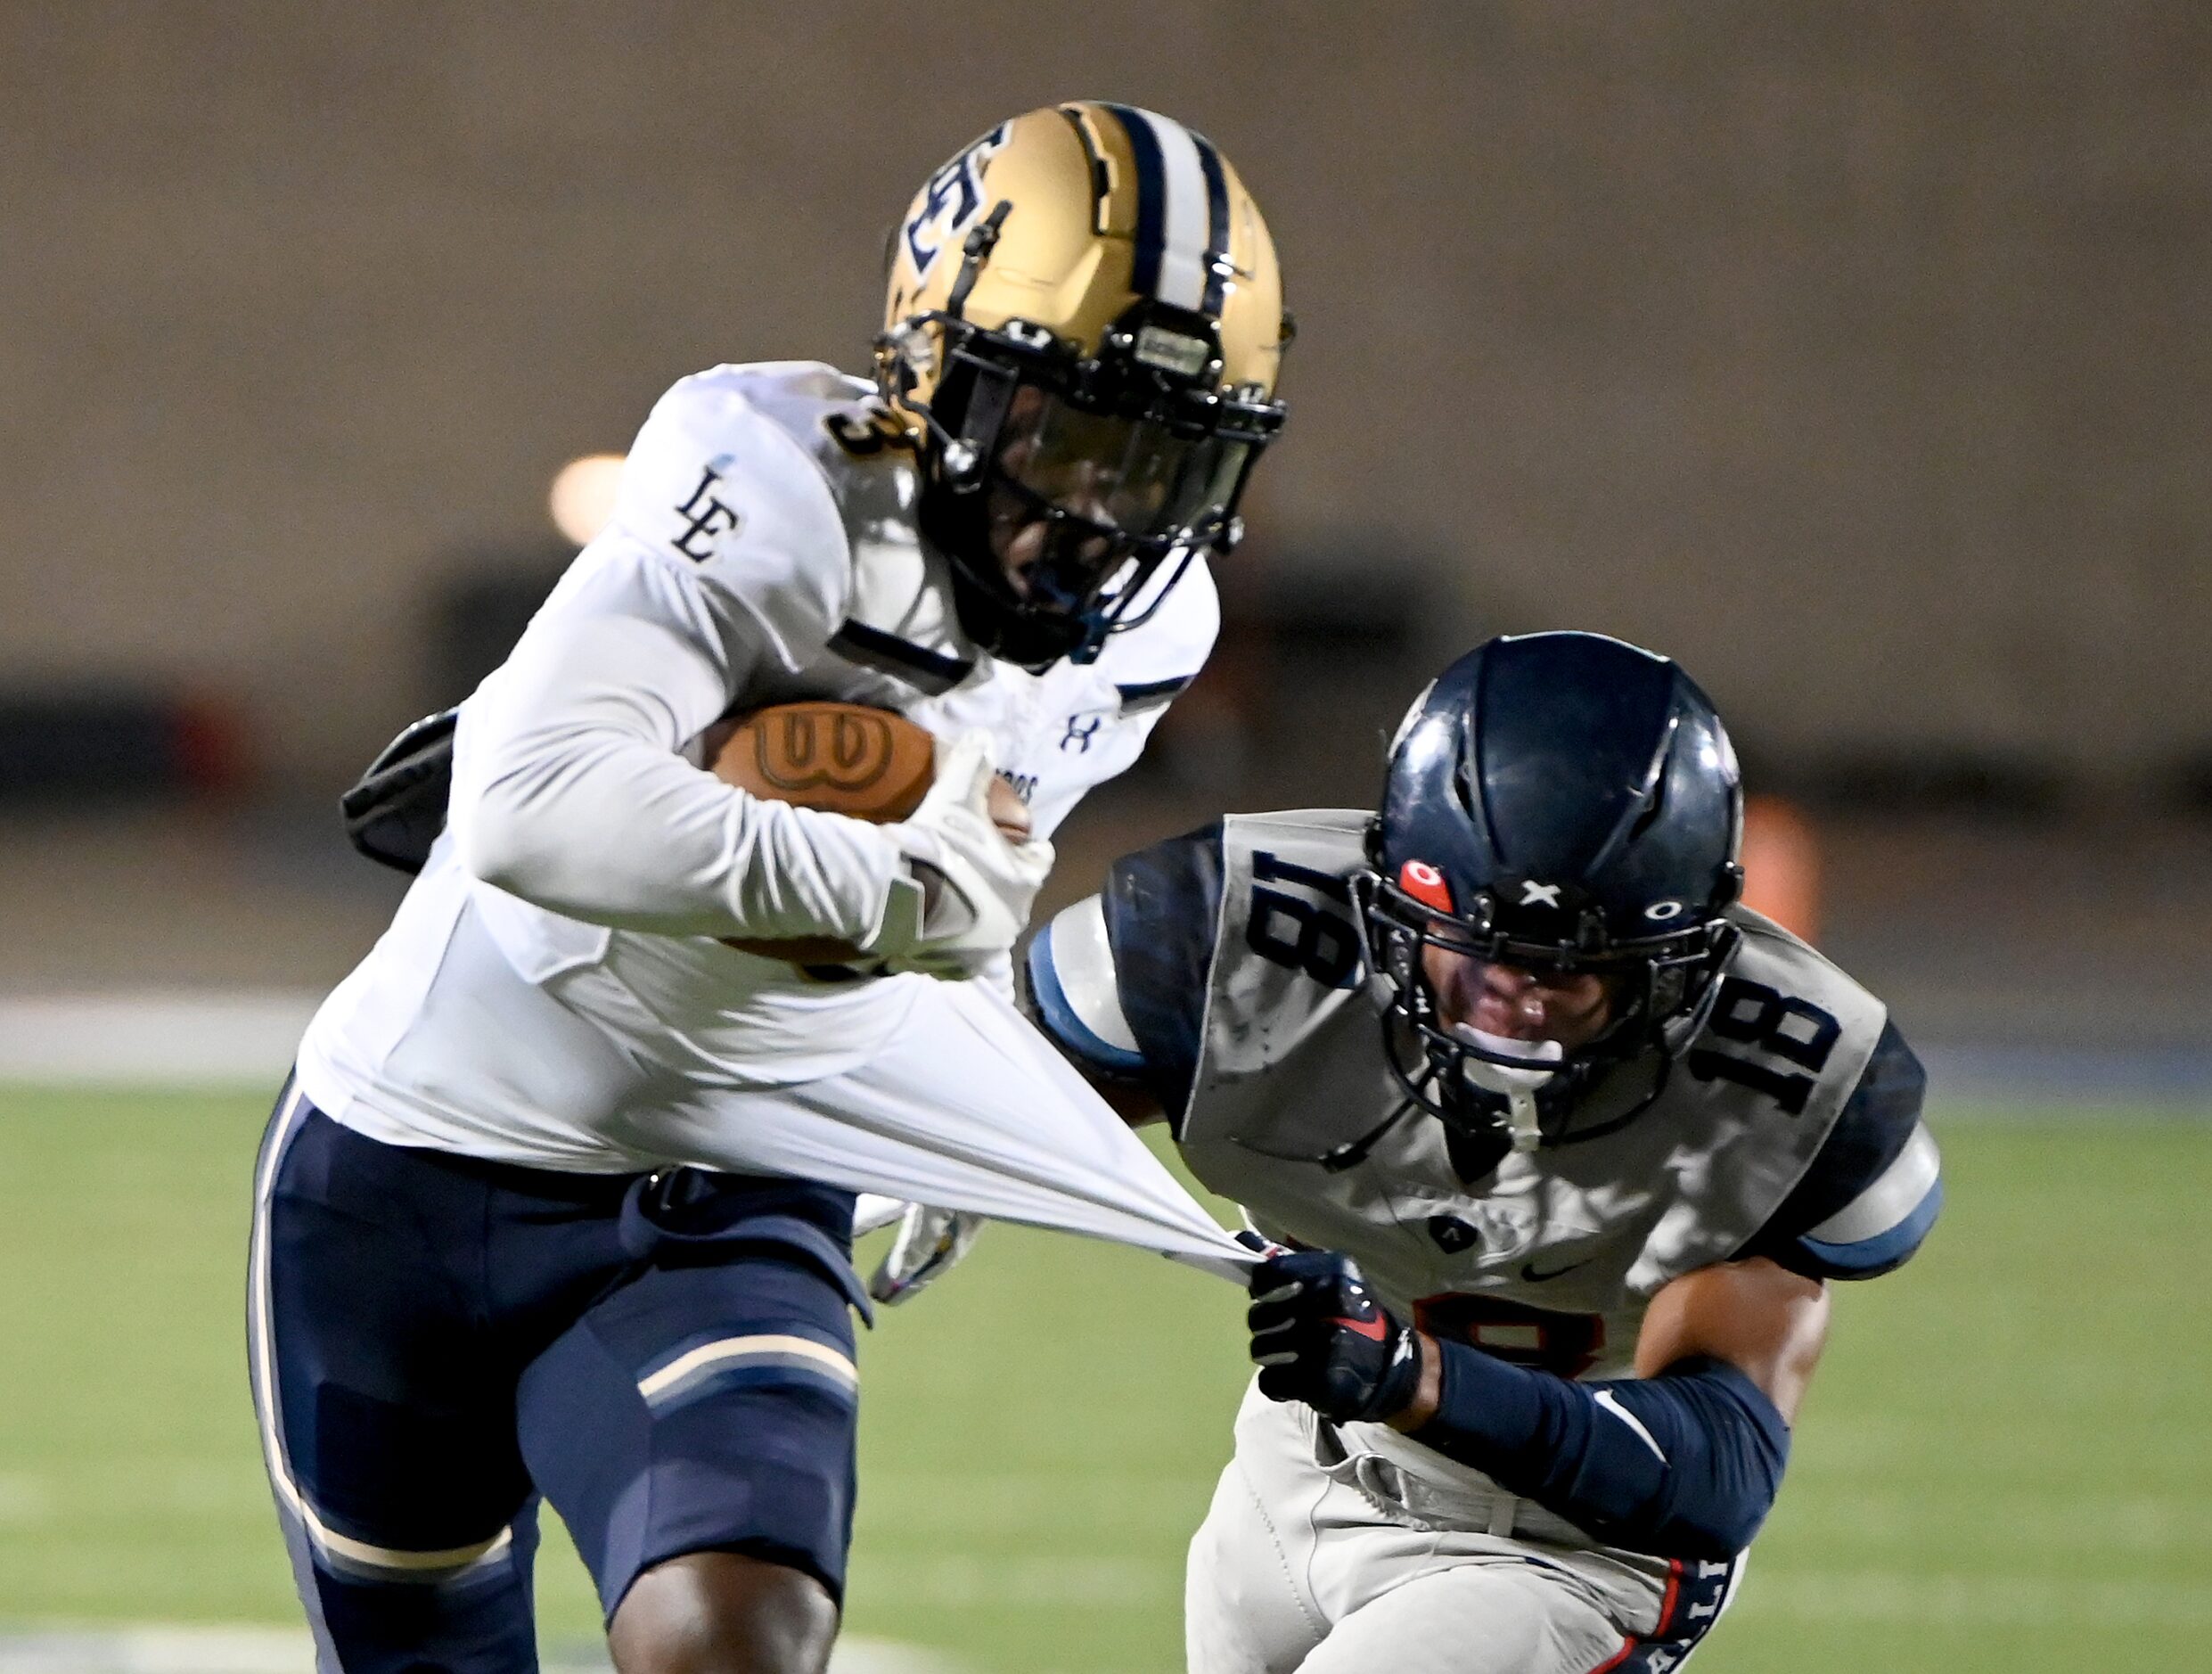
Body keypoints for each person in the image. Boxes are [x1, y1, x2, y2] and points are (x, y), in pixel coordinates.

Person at [252, 103, 1287, 1674]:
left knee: (735, 1638)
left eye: (1162, 460)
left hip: (726, 1181)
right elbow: (525, 807)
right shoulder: (784, 487)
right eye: (1069, 432)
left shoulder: (1152, 629)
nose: (1101, 509)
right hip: (416, 1162)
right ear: (941, 366)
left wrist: (939, 1051)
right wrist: (879, 890)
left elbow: (950, 898)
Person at [1023, 631, 1943, 1673]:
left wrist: (1413, 1376)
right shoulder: (1232, 941)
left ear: (1678, 962)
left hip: (1571, 1546)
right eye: (1479, 958)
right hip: (1297, 1473)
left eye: (1571, 972)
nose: (1518, 1006)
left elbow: (1715, 1474)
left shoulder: (1782, 1087)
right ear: (1395, 903)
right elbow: (977, 1079)